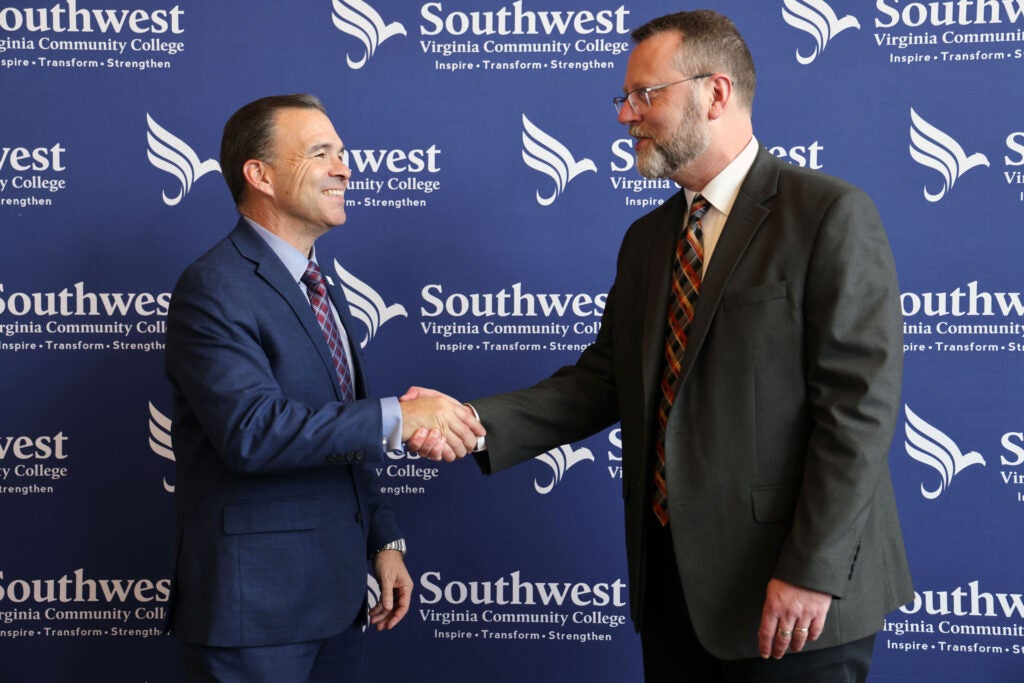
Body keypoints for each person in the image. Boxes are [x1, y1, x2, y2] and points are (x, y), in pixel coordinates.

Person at [412, 9, 913, 682]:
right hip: (674, 595)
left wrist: (810, 570)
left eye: (646, 95)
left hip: (794, 601)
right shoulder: (647, 241)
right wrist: (472, 424)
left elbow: (859, 413)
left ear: (716, 93)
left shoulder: (827, 214)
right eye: (625, 97)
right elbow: (601, 382)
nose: (626, 115)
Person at [164, 93, 483, 682]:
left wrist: (385, 540)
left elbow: (337, 428)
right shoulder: (214, 286)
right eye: (320, 153)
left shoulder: (318, 282)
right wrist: (400, 418)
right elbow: (251, 433)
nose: (345, 168)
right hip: (252, 615)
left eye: (341, 152)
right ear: (258, 174)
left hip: (335, 605)